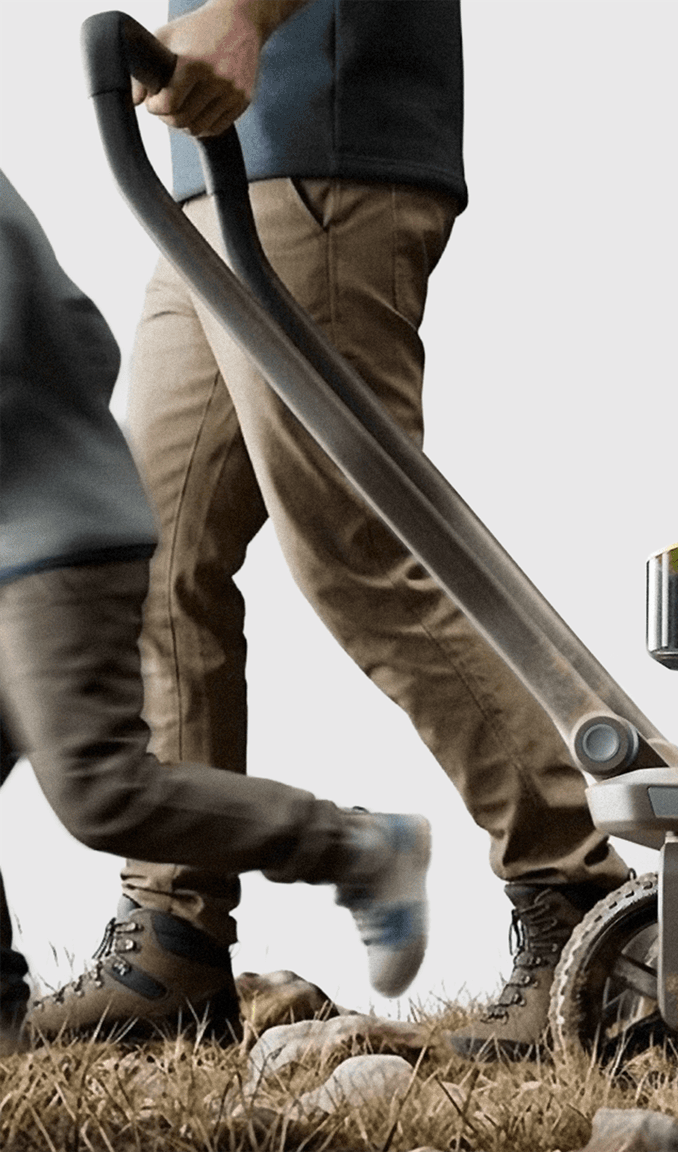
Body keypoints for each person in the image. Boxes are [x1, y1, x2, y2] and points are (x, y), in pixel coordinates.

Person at [25, 0, 628, 1057]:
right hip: (213, 180)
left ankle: (585, 906)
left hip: (318, 158)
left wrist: (244, 13)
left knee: (361, 548)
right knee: (147, 557)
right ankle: (172, 940)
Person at [0, 165, 430, 1055]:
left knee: (101, 789)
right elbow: (81, 338)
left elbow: (51, 342)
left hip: (58, 541)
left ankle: (357, 847)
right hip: (30, 531)